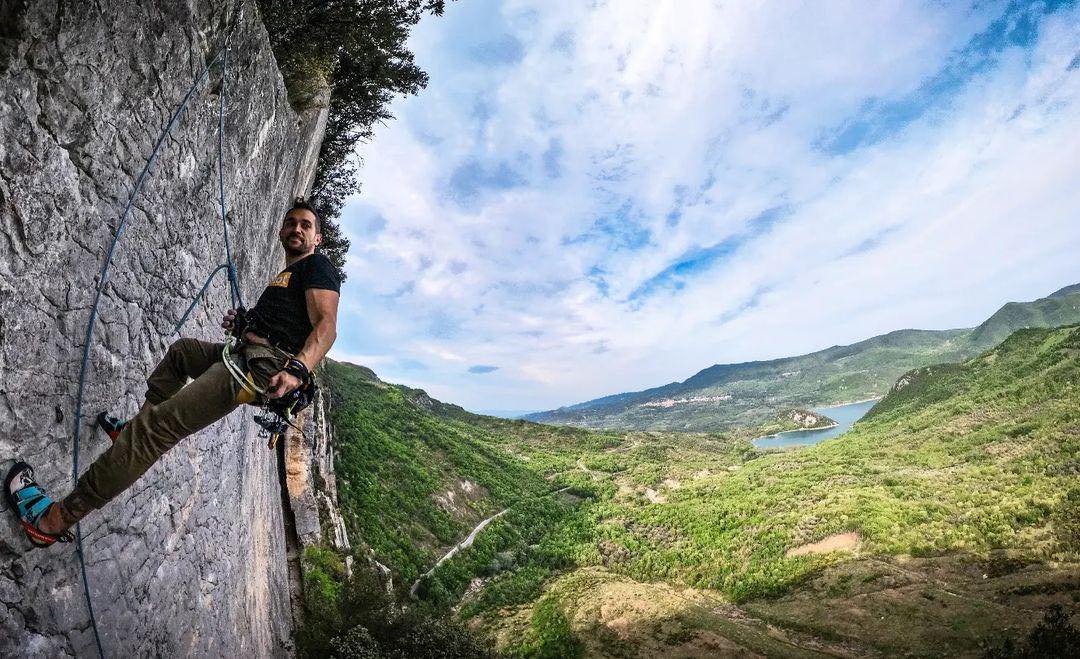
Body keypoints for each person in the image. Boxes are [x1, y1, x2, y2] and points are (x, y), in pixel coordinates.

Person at [5, 198, 340, 547]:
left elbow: (327, 326)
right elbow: (283, 324)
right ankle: (133, 429)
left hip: (258, 370)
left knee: (156, 433)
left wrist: (298, 369)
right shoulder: (289, 276)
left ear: (317, 238)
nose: (296, 229)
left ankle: (51, 520)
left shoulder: (317, 267)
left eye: (305, 225)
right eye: (291, 223)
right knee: (183, 354)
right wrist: (243, 325)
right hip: (249, 355)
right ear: (282, 231)